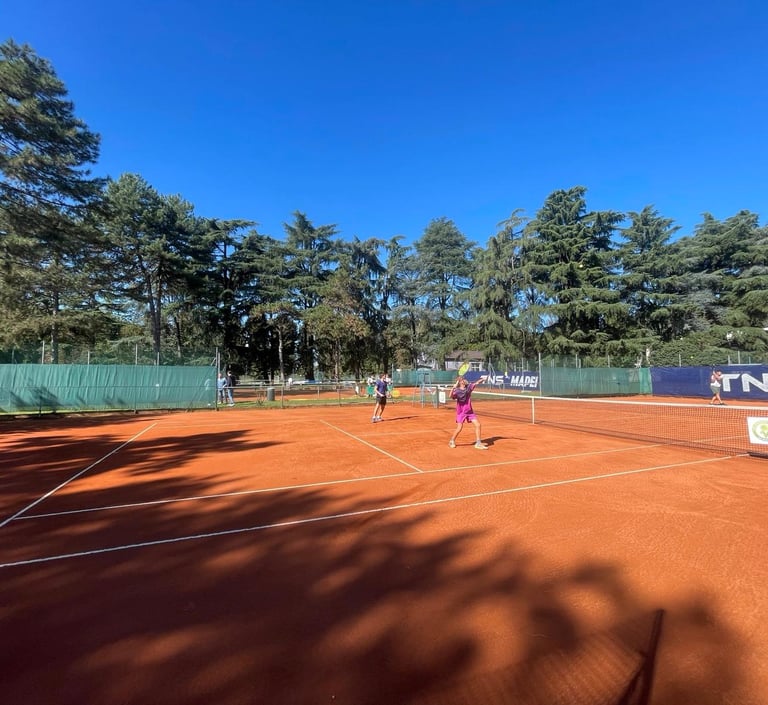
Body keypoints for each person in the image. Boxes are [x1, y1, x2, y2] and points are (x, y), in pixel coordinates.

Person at [449, 374, 489, 449]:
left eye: (463, 379)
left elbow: (476, 383)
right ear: (459, 383)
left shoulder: (468, 388)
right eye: (461, 380)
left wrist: (483, 379)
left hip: (470, 412)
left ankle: (478, 443)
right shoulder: (457, 391)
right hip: (461, 412)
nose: (463, 381)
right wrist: (453, 388)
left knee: (478, 425)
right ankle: (452, 440)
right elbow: (450, 396)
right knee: (459, 428)